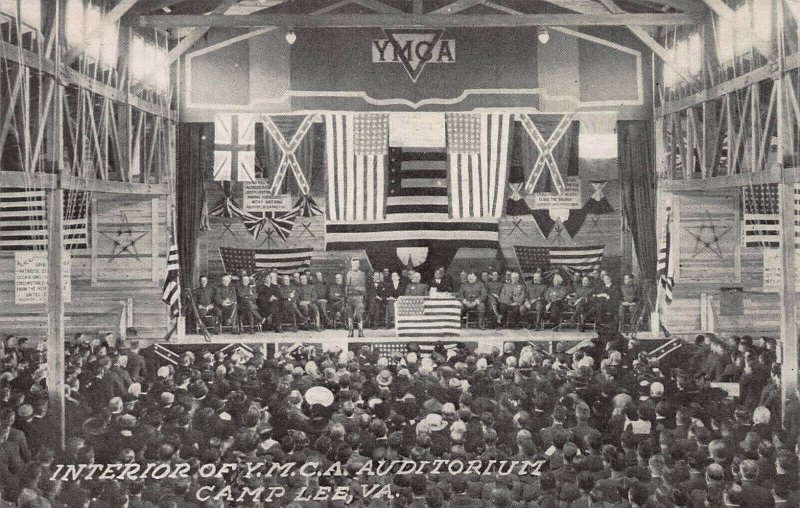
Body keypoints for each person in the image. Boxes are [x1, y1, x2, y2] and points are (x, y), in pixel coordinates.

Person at [345, 258, 366, 338]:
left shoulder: (362, 274)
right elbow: (347, 286)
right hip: (350, 297)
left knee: (359, 315)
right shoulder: (348, 274)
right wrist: (347, 297)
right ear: (351, 264)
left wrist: (355, 289)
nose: (355, 265)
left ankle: (361, 332)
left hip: (359, 298)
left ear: (359, 265)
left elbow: (363, 288)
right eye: (354, 264)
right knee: (349, 315)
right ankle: (350, 332)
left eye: (357, 264)